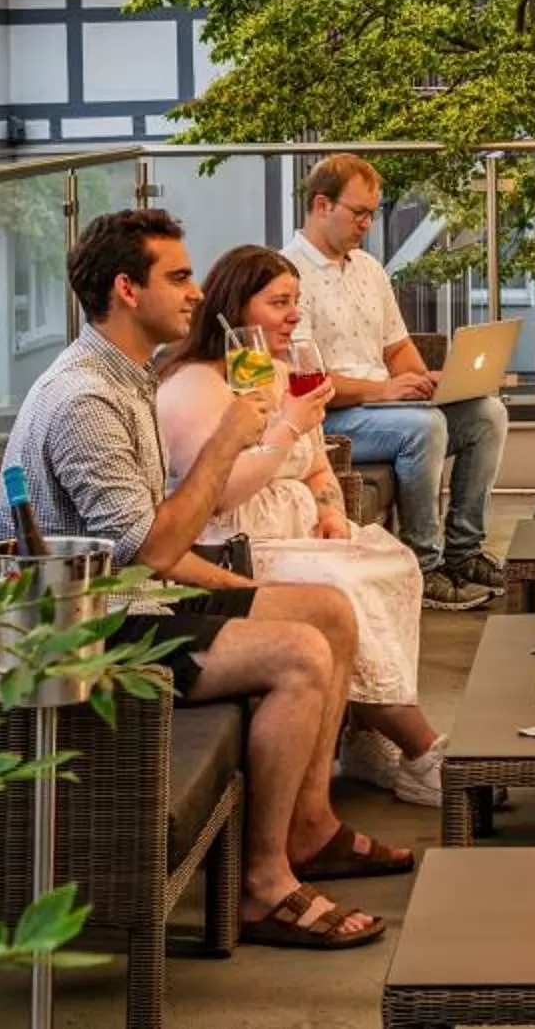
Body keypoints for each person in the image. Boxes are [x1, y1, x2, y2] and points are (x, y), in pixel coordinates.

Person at [0, 208, 409, 950]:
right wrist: (227, 441)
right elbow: (150, 548)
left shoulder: (127, 376)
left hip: (130, 594)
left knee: (327, 610)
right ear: (127, 289)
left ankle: (311, 826)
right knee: (300, 655)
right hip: (81, 631)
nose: (195, 292)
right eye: (179, 277)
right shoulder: (85, 399)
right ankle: (265, 884)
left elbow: (145, 549)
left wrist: (234, 590)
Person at [162, 245, 446, 808]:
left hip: (301, 530)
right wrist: (287, 426)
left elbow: (318, 467)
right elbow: (218, 496)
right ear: (236, 309)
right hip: (236, 545)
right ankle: (418, 746)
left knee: (394, 563)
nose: (295, 314)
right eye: (279, 303)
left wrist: (331, 510)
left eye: (296, 301)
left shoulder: (280, 372)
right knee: (348, 586)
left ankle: (366, 739)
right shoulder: (196, 385)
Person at [283, 153, 507, 610]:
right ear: (322, 205)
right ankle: (424, 567)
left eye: (372, 213)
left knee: (487, 414)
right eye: (358, 212)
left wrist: (427, 381)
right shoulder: (287, 276)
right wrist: (383, 390)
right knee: (423, 427)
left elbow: (397, 347)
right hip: (331, 419)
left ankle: (464, 552)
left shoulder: (368, 268)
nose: (367, 223)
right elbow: (304, 379)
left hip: (384, 410)